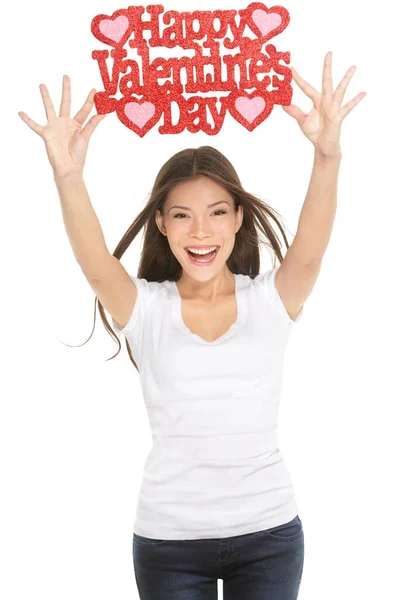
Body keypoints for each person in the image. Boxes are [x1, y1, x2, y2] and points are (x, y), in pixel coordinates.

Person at [18, 52, 365, 599]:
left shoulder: (271, 301)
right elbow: (94, 263)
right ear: (161, 223)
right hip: (168, 543)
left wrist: (328, 154)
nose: (200, 231)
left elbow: (311, 250)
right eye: (182, 214)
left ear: (238, 218)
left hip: (270, 536)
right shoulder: (145, 309)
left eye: (217, 212)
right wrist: (67, 172)